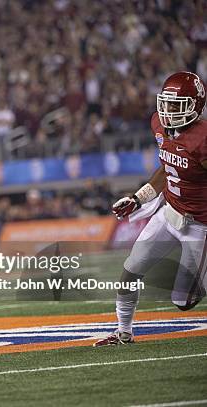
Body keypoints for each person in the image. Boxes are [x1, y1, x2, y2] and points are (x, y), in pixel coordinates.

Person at [94, 71, 207, 346]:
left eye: (176, 104)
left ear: (195, 106)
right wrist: (138, 198)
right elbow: (167, 167)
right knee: (130, 271)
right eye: (166, 103)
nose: (168, 110)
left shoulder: (203, 139)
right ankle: (123, 332)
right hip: (169, 214)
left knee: (182, 301)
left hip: (199, 225)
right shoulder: (159, 124)